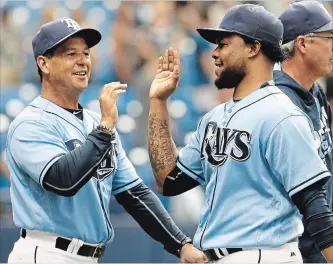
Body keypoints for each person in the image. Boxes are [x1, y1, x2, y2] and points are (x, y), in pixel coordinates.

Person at [6, 17, 207, 263]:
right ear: (44, 64)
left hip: (88, 256)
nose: (82, 60)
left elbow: (134, 194)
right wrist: (104, 129)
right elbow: (63, 180)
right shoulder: (31, 124)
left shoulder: (94, 122)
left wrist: (180, 244)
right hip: (47, 252)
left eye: (86, 53)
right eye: (70, 54)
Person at [147, 4, 333, 263]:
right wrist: (158, 102)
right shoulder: (214, 117)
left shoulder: (283, 114)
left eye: (224, 44)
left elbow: (316, 206)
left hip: (265, 254)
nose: (214, 53)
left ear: (253, 47)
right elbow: (169, 180)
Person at [274, 1, 333, 263]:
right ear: (303, 43)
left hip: (321, 239)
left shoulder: (315, 90)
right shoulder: (278, 102)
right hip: (297, 248)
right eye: (329, 38)